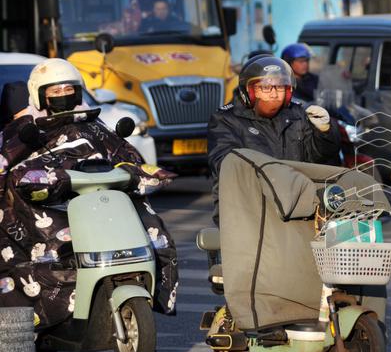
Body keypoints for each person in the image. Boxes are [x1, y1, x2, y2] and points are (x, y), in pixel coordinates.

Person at [0, 59, 178, 328]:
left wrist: (136, 171)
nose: (63, 95)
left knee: (154, 228)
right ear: (40, 94)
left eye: (67, 89)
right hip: (54, 205)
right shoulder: (29, 130)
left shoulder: (94, 124)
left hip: (101, 199)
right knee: (49, 249)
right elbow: (11, 168)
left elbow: (124, 154)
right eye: (55, 92)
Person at [207, 55, 341, 223]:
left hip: (296, 204)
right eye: (265, 87)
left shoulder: (297, 115)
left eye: (279, 87)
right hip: (247, 208)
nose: (274, 94)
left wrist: (325, 132)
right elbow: (224, 164)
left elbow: (321, 159)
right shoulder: (226, 119)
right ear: (249, 91)